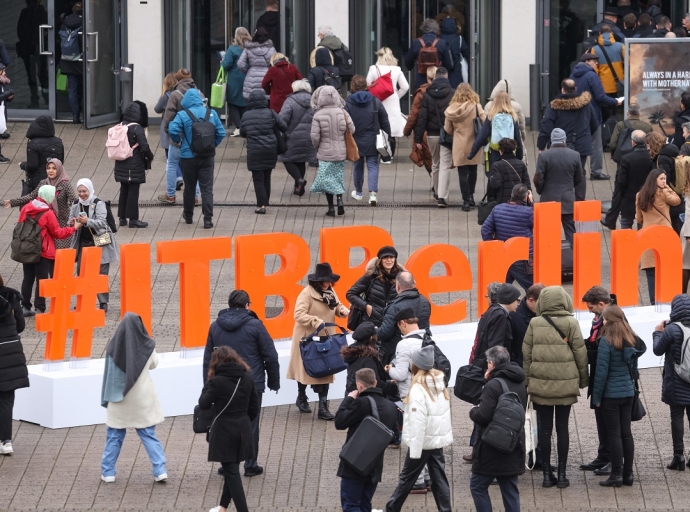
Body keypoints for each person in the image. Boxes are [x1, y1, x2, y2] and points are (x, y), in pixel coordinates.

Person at [204, 289, 280, 476]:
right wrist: (273, 381)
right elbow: (270, 355)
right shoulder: (255, 326)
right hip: (251, 383)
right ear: (247, 305)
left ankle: (228, 463)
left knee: (225, 421)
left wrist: (208, 384)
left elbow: (208, 359)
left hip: (222, 384)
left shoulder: (215, 327)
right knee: (251, 423)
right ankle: (250, 464)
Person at [522, 286, 588, 489]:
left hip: (540, 384)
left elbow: (527, 353)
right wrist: (583, 380)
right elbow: (580, 353)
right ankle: (562, 474)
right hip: (565, 384)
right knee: (562, 428)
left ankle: (547, 476)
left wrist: (528, 381)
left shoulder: (535, 322)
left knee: (544, 429)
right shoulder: (571, 322)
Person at [100, 313, 167, 483]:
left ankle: (108, 472)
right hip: (142, 399)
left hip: (119, 398)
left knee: (114, 435)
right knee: (148, 434)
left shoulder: (112, 348)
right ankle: (160, 470)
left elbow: (108, 374)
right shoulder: (146, 345)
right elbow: (154, 364)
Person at [384, 345, 453, 512]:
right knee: (439, 479)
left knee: (406, 478)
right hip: (435, 439)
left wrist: (414, 450)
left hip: (421, 442)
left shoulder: (417, 389)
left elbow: (417, 422)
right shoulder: (438, 383)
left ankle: (391, 509)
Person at [199, 346, 259, 512]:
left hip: (224, 431)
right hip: (243, 429)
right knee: (231, 469)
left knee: (231, 472)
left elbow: (203, 404)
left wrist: (208, 382)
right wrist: (244, 421)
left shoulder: (216, 382)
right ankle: (223, 507)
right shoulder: (247, 378)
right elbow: (254, 407)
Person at [286, 263, 349, 419]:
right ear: (317, 282)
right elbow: (298, 315)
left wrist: (342, 310)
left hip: (327, 338)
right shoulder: (306, 294)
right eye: (324, 282)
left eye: (329, 281)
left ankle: (323, 407)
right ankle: (301, 397)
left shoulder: (330, 292)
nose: (328, 284)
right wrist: (314, 320)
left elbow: (337, 304)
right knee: (306, 370)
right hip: (307, 339)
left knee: (327, 369)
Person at [469, 346, 526, 512]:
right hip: (513, 444)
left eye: (487, 363)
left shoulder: (493, 385)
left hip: (491, 448)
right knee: (510, 490)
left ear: (492, 364)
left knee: (478, 486)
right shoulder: (519, 381)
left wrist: (474, 410)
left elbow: (483, 416)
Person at [591, 305, 642, 487]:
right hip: (628, 393)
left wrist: (596, 398)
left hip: (610, 396)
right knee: (626, 434)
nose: (601, 321)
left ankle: (616, 475)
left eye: (603, 318)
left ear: (608, 320)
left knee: (614, 435)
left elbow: (601, 373)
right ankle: (628, 475)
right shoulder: (630, 339)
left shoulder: (606, 341)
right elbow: (634, 370)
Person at [335, 368, 398, 512]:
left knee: (351, 505)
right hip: (374, 466)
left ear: (359, 385)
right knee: (364, 504)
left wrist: (349, 399)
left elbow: (339, 422)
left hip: (354, 463)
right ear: (375, 382)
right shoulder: (390, 406)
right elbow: (394, 436)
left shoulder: (361, 403)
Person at [13, 185, 77, 317]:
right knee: (42, 280)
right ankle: (39, 308)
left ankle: (25, 306)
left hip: (26, 249)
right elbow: (58, 233)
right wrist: (74, 228)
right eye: (52, 195)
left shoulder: (26, 208)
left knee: (27, 278)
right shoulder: (47, 213)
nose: (53, 197)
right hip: (43, 251)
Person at [168, 88, 226, 229]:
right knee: (206, 189)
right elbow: (221, 133)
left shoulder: (183, 114)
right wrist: (211, 145)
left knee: (189, 188)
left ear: (186, 100)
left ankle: (188, 216)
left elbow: (172, 129)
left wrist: (179, 141)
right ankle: (208, 219)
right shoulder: (211, 113)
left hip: (188, 157)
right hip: (207, 157)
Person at [68, 178, 119, 312]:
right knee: (82, 273)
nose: (82, 194)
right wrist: (72, 222)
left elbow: (102, 222)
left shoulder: (98, 203)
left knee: (101, 274)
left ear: (90, 190)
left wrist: (87, 221)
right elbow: (70, 220)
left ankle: (103, 303)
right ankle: (83, 301)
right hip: (83, 243)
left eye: (84, 191)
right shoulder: (75, 203)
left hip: (100, 242)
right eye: (79, 191)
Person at [6, 157, 76, 253]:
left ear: (59, 169)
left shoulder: (65, 184)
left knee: (61, 253)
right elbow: (31, 196)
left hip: (61, 223)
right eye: (48, 168)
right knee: (47, 251)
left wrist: (74, 216)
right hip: (47, 223)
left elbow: (74, 201)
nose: (50, 171)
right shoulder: (43, 183)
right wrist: (13, 202)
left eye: (54, 168)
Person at [653, 293, 690, 472]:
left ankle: (679, 456)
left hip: (676, 382)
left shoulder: (672, 329)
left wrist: (657, 333)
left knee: (677, 417)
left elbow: (657, 351)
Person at [580, 286, 615, 474]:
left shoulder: (612, 322)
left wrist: (582, 354)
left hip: (609, 382)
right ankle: (603, 456)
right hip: (600, 380)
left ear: (602, 304)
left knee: (611, 425)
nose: (590, 311)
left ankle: (612, 460)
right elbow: (594, 342)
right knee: (601, 420)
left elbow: (605, 354)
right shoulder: (599, 320)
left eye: (592, 307)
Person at [536, 78, 599, 184]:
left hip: (559, 146)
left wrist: (541, 145)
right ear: (575, 89)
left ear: (562, 90)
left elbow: (546, 126)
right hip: (582, 144)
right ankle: (579, 199)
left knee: (559, 173)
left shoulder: (555, 105)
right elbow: (594, 124)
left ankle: (563, 196)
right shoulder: (586, 104)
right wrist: (586, 136)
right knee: (580, 173)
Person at [570, 53, 621, 179]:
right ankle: (596, 172)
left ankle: (576, 170)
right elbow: (600, 96)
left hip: (576, 114)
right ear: (588, 61)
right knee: (596, 144)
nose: (597, 63)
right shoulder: (592, 75)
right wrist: (615, 101)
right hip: (592, 114)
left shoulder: (573, 75)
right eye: (594, 61)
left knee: (576, 143)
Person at [636, 169, 680, 304]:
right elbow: (677, 200)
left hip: (648, 235)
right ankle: (666, 300)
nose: (664, 181)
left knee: (651, 271)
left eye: (664, 179)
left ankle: (653, 302)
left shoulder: (640, 195)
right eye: (661, 179)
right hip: (665, 235)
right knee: (666, 269)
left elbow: (638, 218)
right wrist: (668, 188)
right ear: (654, 179)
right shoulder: (663, 192)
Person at [160, 68, 204, 204]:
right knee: (195, 167)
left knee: (172, 164)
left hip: (178, 137)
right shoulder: (199, 93)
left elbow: (168, 116)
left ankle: (171, 195)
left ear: (177, 79)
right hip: (196, 137)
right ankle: (195, 197)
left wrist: (169, 133)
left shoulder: (175, 94)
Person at [240, 89, 288, 214]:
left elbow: (242, 133)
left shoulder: (246, 115)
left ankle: (261, 205)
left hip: (254, 150)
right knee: (267, 176)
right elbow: (284, 126)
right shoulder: (270, 113)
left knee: (258, 178)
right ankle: (265, 201)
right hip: (270, 149)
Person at [345, 75, 391, 205]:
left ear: (352, 87)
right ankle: (373, 195)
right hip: (373, 139)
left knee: (358, 165)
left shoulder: (348, 103)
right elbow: (384, 120)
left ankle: (359, 192)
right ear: (366, 86)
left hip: (355, 139)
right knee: (373, 165)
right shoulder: (375, 101)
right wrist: (389, 137)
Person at [310, 85, 355, 216]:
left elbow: (314, 136)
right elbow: (352, 129)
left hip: (325, 153)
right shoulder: (343, 113)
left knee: (327, 180)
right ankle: (340, 200)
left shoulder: (318, 115)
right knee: (338, 177)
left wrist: (317, 147)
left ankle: (330, 208)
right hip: (341, 151)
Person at [534, 128, 583, 246]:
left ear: (551, 141)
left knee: (548, 233)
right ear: (565, 140)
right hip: (568, 199)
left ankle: (550, 259)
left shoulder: (544, 156)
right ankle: (573, 257)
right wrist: (570, 187)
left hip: (548, 199)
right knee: (570, 230)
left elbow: (538, 178)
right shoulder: (575, 155)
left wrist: (541, 191)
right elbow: (579, 178)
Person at [481, 185, 534, 290]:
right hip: (522, 258)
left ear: (511, 195)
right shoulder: (529, 212)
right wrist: (532, 203)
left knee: (500, 291)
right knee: (533, 289)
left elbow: (485, 230)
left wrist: (495, 249)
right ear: (525, 197)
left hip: (503, 255)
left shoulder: (497, 209)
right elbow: (542, 221)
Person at [414, 67, 454, 207]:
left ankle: (437, 192)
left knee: (435, 163)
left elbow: (422, 117)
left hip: (431, 135)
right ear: (447, 76)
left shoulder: (427, 94)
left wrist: (418, 138)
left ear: (435, 77)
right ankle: (442, 197)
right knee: (445, 165)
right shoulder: (452, 93)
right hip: (447, 135)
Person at [469, 91, 524, 189]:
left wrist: (471, 154)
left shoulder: (491, 116)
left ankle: (492, 199)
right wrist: (519, 155)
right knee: (507, 176)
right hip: (509, 152)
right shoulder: (513, 117)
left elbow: (482, 136)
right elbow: (517, 138)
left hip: (494, 152)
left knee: (493, 176)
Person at [444, 82, 485, 210]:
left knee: (462, 172)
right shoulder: (477, 107)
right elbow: (485, 122)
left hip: (459, 144)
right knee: (473, 170)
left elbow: (447, 129)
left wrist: (457, 132)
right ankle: (471, 197)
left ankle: (465, 201)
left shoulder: (451, 109)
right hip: (474, 143)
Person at [377, 272, 432, 365]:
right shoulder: (425, 302)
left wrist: (374, 331)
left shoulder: (394, 306)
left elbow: (385, 332)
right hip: (422, 352)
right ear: (414, 283)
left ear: (397, 286)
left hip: (397, 355)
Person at [366, 47, 409, 162]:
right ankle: (389, 156)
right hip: (392, 100)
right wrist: (396, 96)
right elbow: (405, 87)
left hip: (377, 100)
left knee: (377, 124)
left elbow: (367, 84)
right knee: (391, 127)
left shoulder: (373, 68)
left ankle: (377, 153)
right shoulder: (397, 69)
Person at [113, 102, 152, 229]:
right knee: (133, 192)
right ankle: (133, 219)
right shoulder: (137, 128)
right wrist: (150, 157)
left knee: (124, 189)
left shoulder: (120, 126)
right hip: (134, 166)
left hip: (121, 164)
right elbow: (144, 147)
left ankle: (122, 217)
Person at [0, 274, 27, 456]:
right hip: (10, 352)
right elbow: (20, 325)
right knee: (6, 399)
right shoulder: (11, 296)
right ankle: (6, 441)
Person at [346, 246, 403, 327]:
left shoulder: (401, 276)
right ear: (380, 260)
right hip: (372, 324)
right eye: (385, 257)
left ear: (395, 259)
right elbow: (351, 293)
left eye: (391, 257)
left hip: (392, 324)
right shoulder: (371, 275)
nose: (389, 260)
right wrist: (366, 306)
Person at [278, 79, 317, 197]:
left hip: (292, 136)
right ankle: (298, 188)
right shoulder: (314, 101)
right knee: (301, 160)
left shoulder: (290, 101)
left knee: (286, 158)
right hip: (309, 136)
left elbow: (283, 119)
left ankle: (299, 180)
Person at [341, 323, 398, 397]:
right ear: (371, 338)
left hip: (352, 396)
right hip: (365, 399)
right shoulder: (368, 358)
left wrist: (389, 382)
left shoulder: (354, 353)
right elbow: (375, 383)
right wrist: (396, 388)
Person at [473, 283, 520, 370]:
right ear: (510, 300)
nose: (518, 303)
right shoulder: (500, 316)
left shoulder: (493, 311)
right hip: (493, 369)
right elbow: (496, 349)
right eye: (517, 300)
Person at [383, 307, 426, 401]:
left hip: (412, 396)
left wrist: (390, 369)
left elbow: (400, 375)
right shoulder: (427, 340)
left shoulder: (404, 344)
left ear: (403, 323)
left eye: (399, 326)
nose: (400, 330)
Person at [616, 130, 655, 229]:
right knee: (643, 225)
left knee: (626, 223)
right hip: (646, 196)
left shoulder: (626, 158)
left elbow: (621, 181)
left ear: (633, 142)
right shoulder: (651, 157)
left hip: (629, 197)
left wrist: (623, 194)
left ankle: (625, 243)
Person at [18, 115, 65, 193]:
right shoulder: (58, 142)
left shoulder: (33, 144)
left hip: (38, 181)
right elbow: (60, 162)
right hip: (55, 179)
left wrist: (22, 164)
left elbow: (32, 166)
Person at [404, 66, 436, 176]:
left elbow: (414, 114)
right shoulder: (448, 92)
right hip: (442, 130)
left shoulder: (421, 93)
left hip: (425, 132)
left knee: (428, 160)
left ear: (427, 77)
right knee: (440, 159)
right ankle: (438, 185)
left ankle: (436, 184)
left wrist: (407, 131)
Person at [153, 73, 182, 193]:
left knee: (169, 156)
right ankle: (179, 176)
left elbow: (157, 109)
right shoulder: (181, 94)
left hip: (168, 127)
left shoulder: (166, 96)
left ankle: (177, 178)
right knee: (179, 155)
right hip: (180, 126)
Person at [404, 18, 450, 90]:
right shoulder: (442, 43)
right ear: (436, 29)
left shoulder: (416, 42)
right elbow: (448, 64)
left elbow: (408, 62)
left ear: (422, 29)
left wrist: (415, 65)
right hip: (437, 81)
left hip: (420, 81)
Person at [222, 27, 251, 137]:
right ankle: (245, 127)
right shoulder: (251, 48)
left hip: (234, 80)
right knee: (245, 104)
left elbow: (226, 65)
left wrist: (222, 62)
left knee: (233, 103)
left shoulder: (233, 49)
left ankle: (238, 127)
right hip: (248, 78)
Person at [59, 2, 83, 124]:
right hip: (82, 61)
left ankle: (75, 116)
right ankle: (88, 114)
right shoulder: (85, 22)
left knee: (72, 89)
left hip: (67, 60)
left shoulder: (65, 22)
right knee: (86, 88)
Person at [484, 79, 527, 148]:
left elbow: (485, 126)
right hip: (512, 142)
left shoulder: (489, 105)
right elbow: (521, 126)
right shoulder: (517, 106)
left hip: (495, 143)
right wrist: (522, 138)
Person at [509, 283, 545, 366]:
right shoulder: (514, 317)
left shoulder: (545, 313)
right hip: (522, 366)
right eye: (541, 303)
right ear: (531, 300)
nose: (544, 306)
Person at [489, 139, 531, 204]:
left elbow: (495, 184)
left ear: (500, 151)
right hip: (520, 201)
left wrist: (491, 179)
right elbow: (527, 184)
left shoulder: (497, 165)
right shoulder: (521, 164)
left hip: (503, 201)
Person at [238, 27, 275, 100]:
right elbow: (276, 64)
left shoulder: (248, 48)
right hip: (266, 77)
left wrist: (248, 71)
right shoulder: (271, 49)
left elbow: (240, 64)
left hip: (251, 78)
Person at [590, 25, 625, 97]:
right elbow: (629, 64)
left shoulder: (594, 49)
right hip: (620, 85)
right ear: (611, 33)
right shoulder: (621, 46)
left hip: (603, 86)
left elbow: (594, 69)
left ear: (600, 33)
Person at [438, 17, 469, 89]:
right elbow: (466, 53)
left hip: (442, 70)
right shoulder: (459, 39)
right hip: (457, 70)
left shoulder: (438, 39)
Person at [0, 64, 14, 163]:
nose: (4, 73)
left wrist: (9, 97)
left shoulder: (2, 83)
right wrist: (7, 94)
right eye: (2, 71)